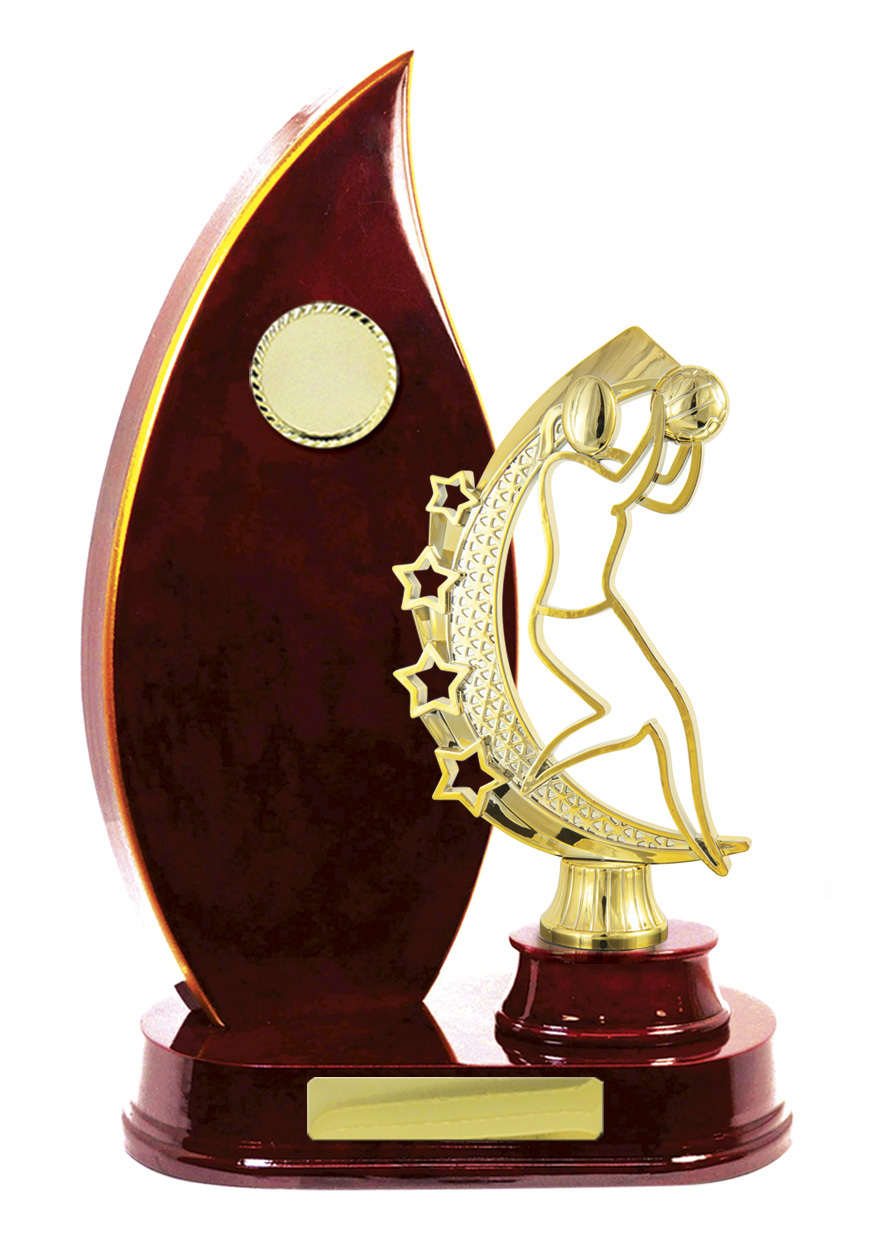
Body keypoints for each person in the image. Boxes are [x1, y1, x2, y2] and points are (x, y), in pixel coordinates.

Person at [523, 366, 731, 874]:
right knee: (643, 715)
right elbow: (631, 482)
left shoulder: (609, 469)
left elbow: (667, 491)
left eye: (608, 419)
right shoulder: (565, 472)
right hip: (572, 620)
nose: (604, 429)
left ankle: (702, 838)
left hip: (597, 613)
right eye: (598, 419)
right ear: (575, 425)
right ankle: (534, 779)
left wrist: (691, 441)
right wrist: (660, 415)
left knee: (661, 715)